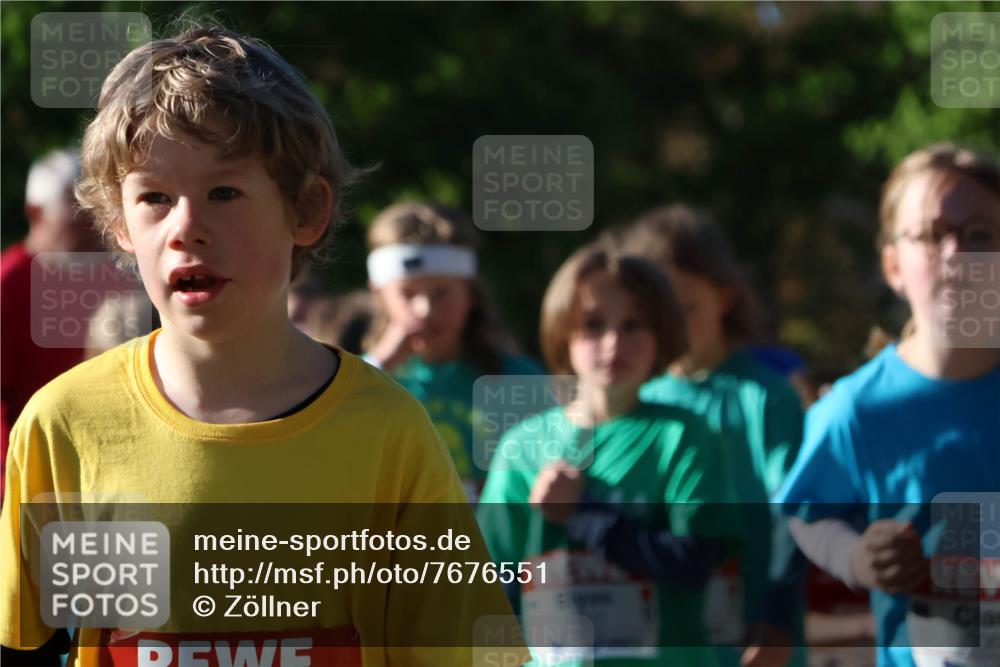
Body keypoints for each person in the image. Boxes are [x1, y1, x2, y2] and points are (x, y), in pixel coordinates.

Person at [0, 26, 526, 667]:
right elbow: (29, 646)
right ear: (118, 224)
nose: (186, 228)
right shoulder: (65, 426)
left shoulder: (387, 432)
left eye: (224, 192)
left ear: (305, 210)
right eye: (155, 198)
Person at [776, 142, 1000, 667]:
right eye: (932, 235)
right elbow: (806, 512)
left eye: (980, 236)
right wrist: (856, 557)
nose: (956, 254)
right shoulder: (858, 408)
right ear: (893, 265)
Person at [477, 242, 741, 666]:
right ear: (563, 333)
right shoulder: (522, 448)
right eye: (593, 325)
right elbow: (488, 584)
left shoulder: (683, 436)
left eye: (634, 325)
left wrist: (581, 515)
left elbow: (694, 564)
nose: (614, 342)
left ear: (663, 333)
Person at [617, 204, 808, 667]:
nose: (673, 326)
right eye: (654, 312)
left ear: (725, 297)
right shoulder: (634, 399)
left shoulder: (764, 395)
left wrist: (777, 618)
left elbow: (797, 512)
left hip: (754, 637)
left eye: (685, 306)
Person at [363, 202, 542, 502]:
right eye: (407, 294)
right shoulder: (364, 385)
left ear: (470, 293)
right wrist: (377, 365)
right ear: (379, 295)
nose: (426, 309)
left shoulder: (519, 379)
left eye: (441, 292)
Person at [0, 149, 101, 500]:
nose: (92, 239)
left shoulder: (99, 276)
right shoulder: (9, 285)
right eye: (77, 224)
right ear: (35, 213)